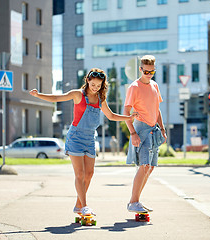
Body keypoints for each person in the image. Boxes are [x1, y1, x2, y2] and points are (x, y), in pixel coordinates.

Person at [29, 68, 137, 216]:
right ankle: (85, 206)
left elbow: (111, 116)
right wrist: (38, 95)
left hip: (90, 138)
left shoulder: (100, 99)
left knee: (89, 173)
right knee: (80, 174)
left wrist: (128, 118)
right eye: (93, 84)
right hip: (76, 137)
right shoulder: (77, 94)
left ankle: (78, 205)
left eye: (98, 86)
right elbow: (56, 98)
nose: (95, 88)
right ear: (87, 80)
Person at [124, 55, 167, 213]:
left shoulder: (155, 86)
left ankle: (136, 201)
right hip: (140, 129)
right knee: (144, 165)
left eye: (152, 72)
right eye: (146, 71)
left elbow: (157, 110)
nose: (149, 74)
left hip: (153, 130)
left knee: (150, 168)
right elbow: (126, 111)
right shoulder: (134, 87)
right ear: (140, 69)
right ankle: (133, 202)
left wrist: (162, 129)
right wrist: (133, 133)